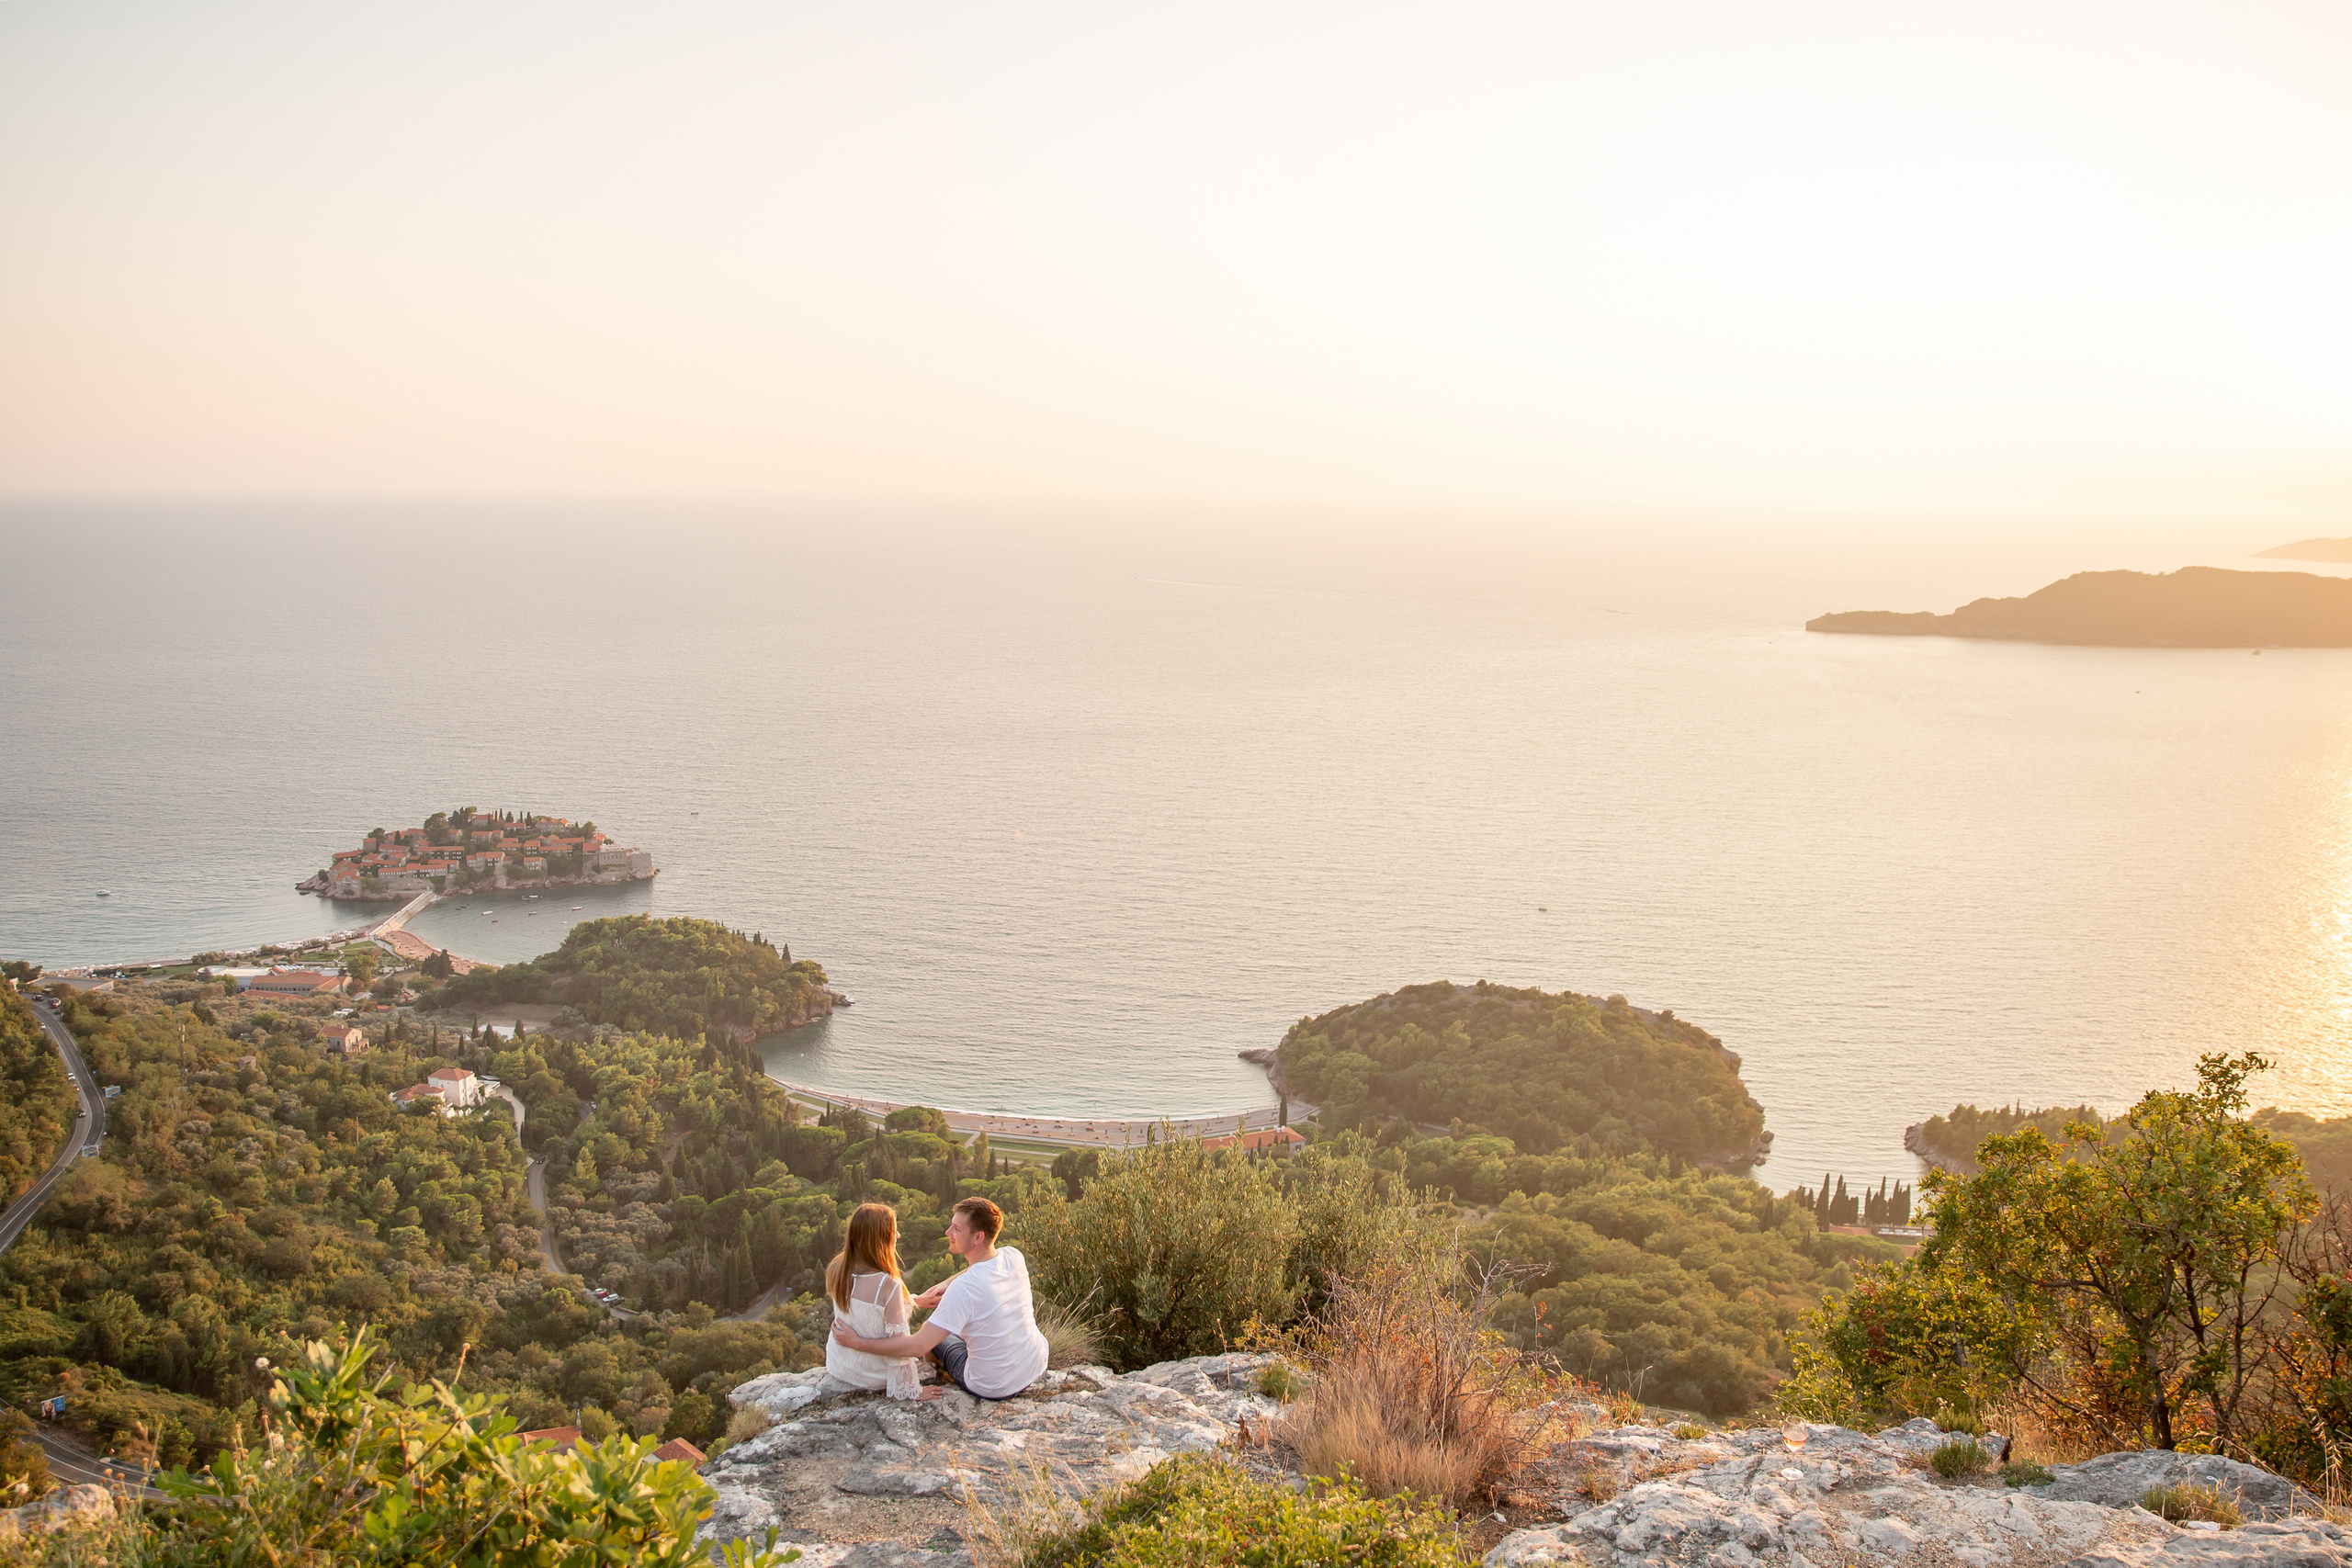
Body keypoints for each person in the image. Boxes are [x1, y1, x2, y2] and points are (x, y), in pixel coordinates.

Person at [829, 1196, 1047, 1401]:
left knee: (932, 1334)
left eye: (957, 1229)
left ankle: (937, 1373)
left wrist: (857, 1342)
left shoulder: (963, 1290)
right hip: (1035, 1364)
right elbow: (980, 1268)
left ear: (978, 1237)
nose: (947, 1232)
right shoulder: (1013, 1255)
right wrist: (945, 1284)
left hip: (992, 1386)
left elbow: (917, 1346)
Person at [821, 1202, 924, 1399]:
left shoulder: (838, 1268)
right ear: (881, 1238)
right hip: (873, 1376)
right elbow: (899, 1346)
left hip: (840, 1365)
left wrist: (913, 1300)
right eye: (894, 1230)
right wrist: (910, 1389)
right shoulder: (887, 1285)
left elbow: (865, 1311)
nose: (899, 1235)